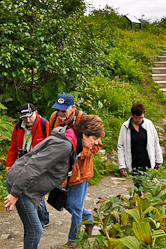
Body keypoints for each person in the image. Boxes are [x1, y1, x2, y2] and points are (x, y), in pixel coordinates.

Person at [4, 115, 105, 249]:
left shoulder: (71, 142)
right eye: (94, 138)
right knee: (35, 230)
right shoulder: (64, 145)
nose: (97, 143)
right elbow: (34, 166)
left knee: (32, 229)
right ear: (84, 134)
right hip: (21, 185)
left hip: (28, 187)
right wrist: (15, 194)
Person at [48, 93, 102, 247]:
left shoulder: (85, 121)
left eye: (63, 110)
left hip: (80, 173)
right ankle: (89, 219)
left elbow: (97, 144)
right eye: (58, 110)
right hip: (62, 172)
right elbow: (49, 140)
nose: (60, 113)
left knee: (76, 206)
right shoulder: (54, 118)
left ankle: (74, 240)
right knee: (63, 202)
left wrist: (78, 154)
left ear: (73, 108)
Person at [5, 103, 50, 227]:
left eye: (30, 116)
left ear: (35, 113)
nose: (28, 120)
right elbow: (13, 147)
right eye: (25, 117)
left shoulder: (44, 125)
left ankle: (43, 219)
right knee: (29, 191)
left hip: (40, 165)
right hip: (24, 163)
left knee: (36, 192)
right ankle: (41, 218)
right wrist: (9, 164)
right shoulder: (18, 127)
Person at [117, 102, 163, 188]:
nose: (139, 120)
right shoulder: (125, 127)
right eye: (136, 118)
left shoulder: (149, 124)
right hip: (134, 164)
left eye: (141, 118)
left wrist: (159, 160)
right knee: (138, 187)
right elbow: (121, 146)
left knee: (147, 187)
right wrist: (122, 166)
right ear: (131, 115)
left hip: (148, 163)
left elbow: (155, 142)